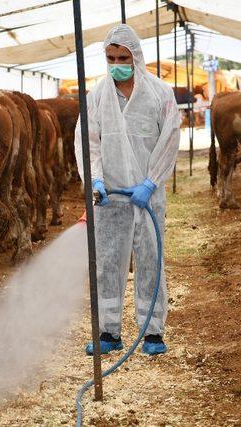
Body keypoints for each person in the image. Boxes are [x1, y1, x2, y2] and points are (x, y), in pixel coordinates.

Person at [74, 24, 180, 355]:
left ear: (136, 56)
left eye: (123, 56)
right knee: (108, 263)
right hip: (111, 199)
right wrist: (95, 180)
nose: (117, 62)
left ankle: (152, 332)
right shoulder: (97, 97)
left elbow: (170, 139)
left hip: (147, 197)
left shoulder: (160, 94)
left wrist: (151, 182)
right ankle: (109, 332)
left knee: (150, 261)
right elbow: (86, 142)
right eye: (111, 57)